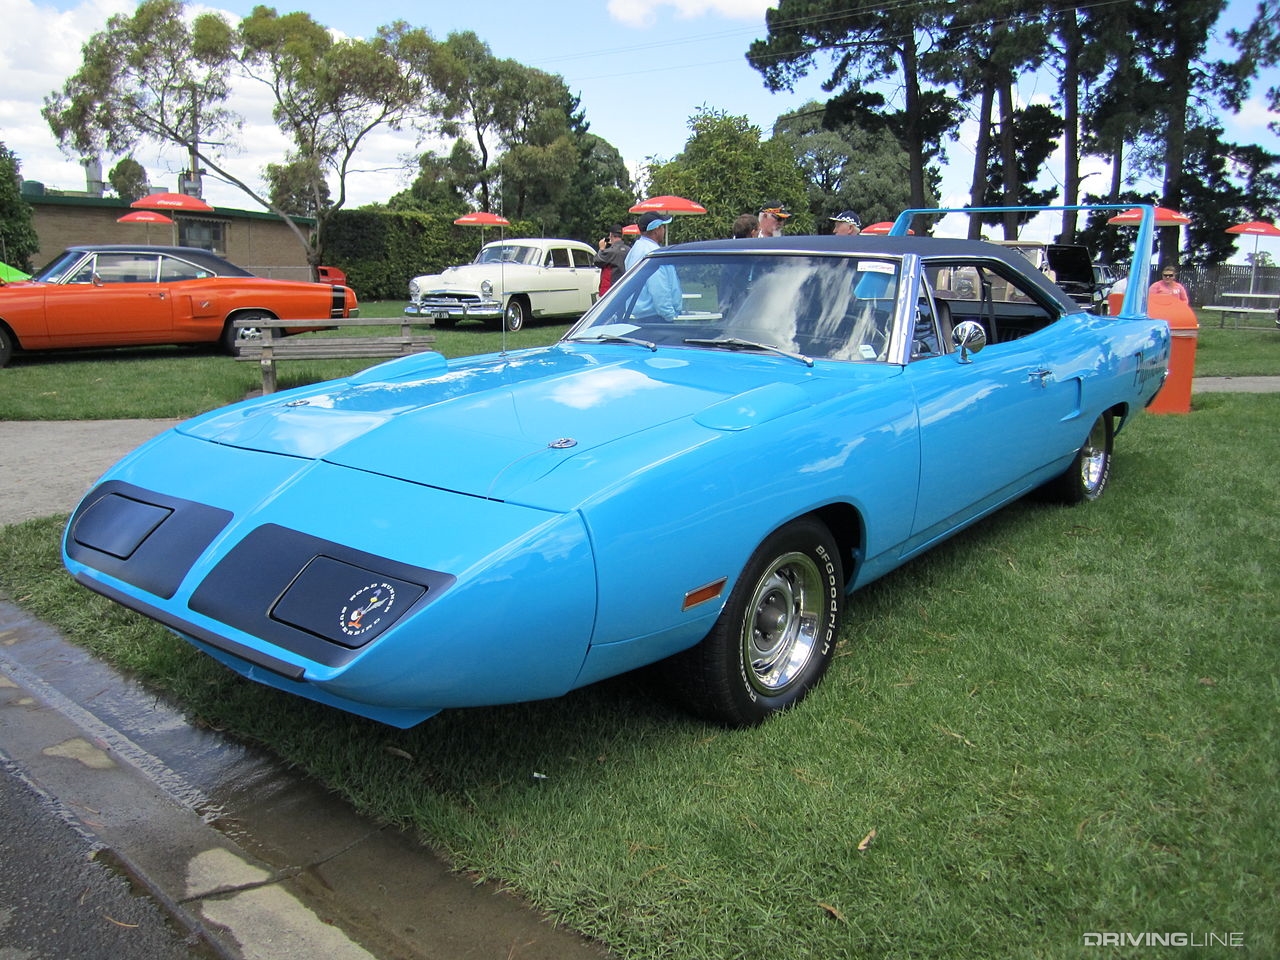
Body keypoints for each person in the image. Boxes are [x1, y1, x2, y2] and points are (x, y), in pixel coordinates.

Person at [625, 212, 682, 320]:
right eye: (663, 227)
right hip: (655, 318)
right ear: (656, 230)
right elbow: (659, 289)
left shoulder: (634, 250)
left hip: (637, 315)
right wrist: (670, 316)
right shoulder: (654, 253)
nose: (664, 231)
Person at [594, 224, 630, 296]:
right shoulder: (629, 250)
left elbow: (597, 261)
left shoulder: (610, 251)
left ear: (610, 235)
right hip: (625, 287)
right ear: (622, 236)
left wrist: (601, 248)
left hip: (611, 290)